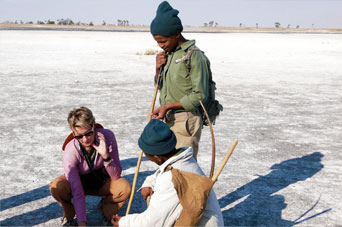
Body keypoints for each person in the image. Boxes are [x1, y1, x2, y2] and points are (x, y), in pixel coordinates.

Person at [111, 119, 224, 226]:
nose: (145, 155)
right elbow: (162, 171)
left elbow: (152, 223)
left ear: (156, 156)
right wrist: (149, 183)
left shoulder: (172, 179)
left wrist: (123, 222)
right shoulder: (185, 161)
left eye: (146, 153)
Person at [150, 1, 213, 160]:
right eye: (157, 42)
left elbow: (199, 95)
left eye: (163, 41)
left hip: (187, 120)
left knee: (183, 168)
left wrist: (167, 106)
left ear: (176, 34)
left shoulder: (195, 56)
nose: (160, 45)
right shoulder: (170, 54)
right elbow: (160, 86)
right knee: (170, 167)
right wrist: (158, 69)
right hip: (169, 119)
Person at [49, 107, 131, 226]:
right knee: (57, 186)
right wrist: (82, 223)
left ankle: (106, 210)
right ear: (73, 133)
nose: (85, 139)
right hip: (78, 182)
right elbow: (77, 191)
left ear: (93, 126)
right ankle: (70, 215)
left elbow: (116, 175)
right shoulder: (71, 149)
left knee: (124, 188)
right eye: (79, 136)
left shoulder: (107, 137)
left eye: (89, 133)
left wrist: (106, 156)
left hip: (100, 181)